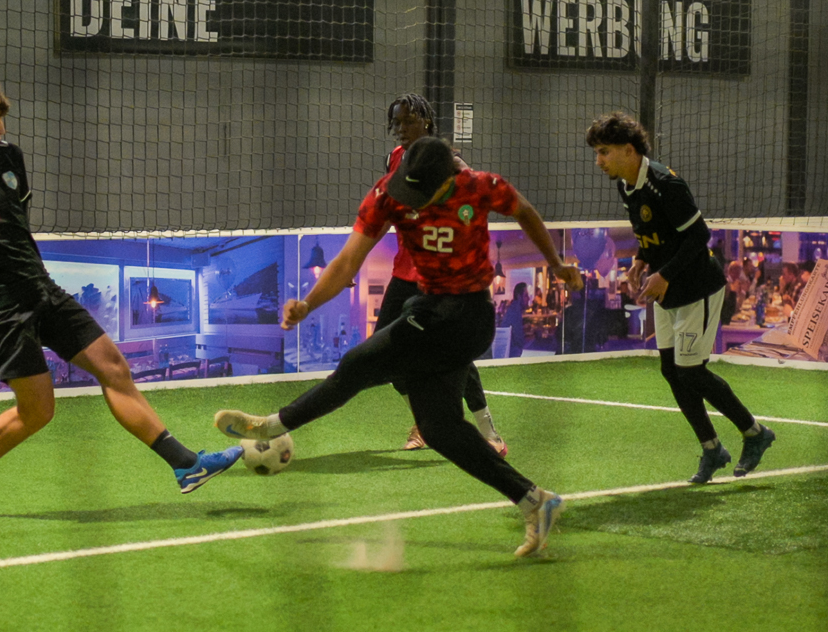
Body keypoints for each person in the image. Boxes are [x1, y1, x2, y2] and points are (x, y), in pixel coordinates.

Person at [214, 137, 579, 558]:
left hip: (468, 317)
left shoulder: (480, 186)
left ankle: (272, 426)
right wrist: (308, 304)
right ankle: (535, 501)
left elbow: (524, 210)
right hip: (430, 307)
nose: (410, 201)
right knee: (440, 429)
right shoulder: (388, 194)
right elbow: (347, 262)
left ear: (448, 181)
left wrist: (555, 263)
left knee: (360, 362)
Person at [0, 78, 240, 521]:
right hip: (1, 306)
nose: (1, 129)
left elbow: (18, 218)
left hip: (43, 289)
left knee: (113, 368)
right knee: (38, 411)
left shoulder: (8, 156)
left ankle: (186, 465)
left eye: (2, 119)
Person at [587, 112, 775, 484]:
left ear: (629, 150)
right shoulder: (626, 186)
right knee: (671, 371)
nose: (599, 161)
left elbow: (699, 236)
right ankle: (712, 449)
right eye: (597, 153)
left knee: (691, 372)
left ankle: (755, 433)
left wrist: (664, 275)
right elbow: (651, 233)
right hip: (667, 290)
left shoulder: (665, 184)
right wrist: (640, 261)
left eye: (604, 152)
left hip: (697, 287)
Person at [377, 95, 507, 455]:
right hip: (404, 274)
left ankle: (489, 433)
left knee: (454, 356)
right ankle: (423, 421)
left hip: (441, 278)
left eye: (409, 121)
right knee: (385, 357)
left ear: (427, 122)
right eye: (397, 122)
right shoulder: (393, 158)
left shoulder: (451, 163)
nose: (402, 128)